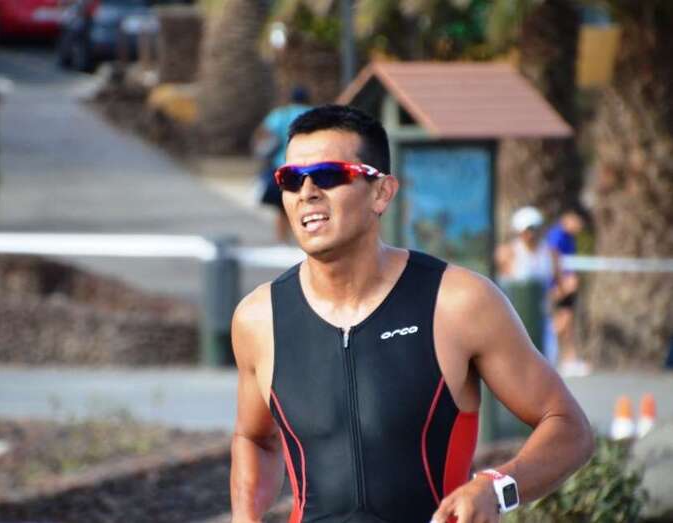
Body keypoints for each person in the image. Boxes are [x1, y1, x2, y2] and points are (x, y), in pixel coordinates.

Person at [230, 105, 593, 523]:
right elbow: (254, 438)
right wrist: (245, 516)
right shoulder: (258, 319)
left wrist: (495, 488)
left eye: (329, 175)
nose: (307, 192)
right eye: (291, 178)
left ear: (382, 192)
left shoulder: (457, 302)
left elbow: (569, 428)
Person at [495, 206, 558, 363]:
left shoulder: (550, 253)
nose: (531, 234)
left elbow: (558, 284)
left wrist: (551, 299)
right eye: (527, 230)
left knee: (546, 359)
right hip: (515, 316)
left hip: (542, 316)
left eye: (534, 229)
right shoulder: (508, 252)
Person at [252, 87, 312, 243]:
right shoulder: (312, 114)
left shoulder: (281, 114)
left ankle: (282, 241)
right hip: (307, 167)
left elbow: (263, 133)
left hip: (282, 166)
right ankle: (304, 240)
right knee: (305, 205)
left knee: (282, 206)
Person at [546, 208, 590, 377]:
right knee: (561, 321)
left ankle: (569, 360)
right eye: (578, 222)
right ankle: (541, 344)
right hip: (557, 286)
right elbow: (553, 258)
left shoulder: (571, 238)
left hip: (568, 286)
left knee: (568, 321)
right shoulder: (556, 235)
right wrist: (560, 285)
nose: (580, 226)